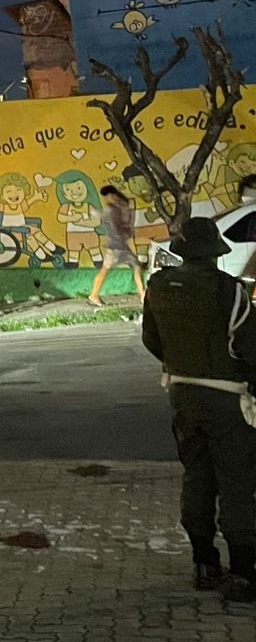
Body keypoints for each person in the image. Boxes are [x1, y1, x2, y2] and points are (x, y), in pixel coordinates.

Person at [141, 216, 256, 601]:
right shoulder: (230, 291)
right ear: (215, 253)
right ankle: (242, 572)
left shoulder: (158, 286)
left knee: (197, 475)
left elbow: (152, 340)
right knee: (236, 481)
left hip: (182, 395)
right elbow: (250, 348)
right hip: (226, 398)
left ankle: (204, 562)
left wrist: (181, 366)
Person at [91, 183, 147, 306]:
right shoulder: (123, 206)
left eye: (106, 196)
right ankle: (94, 295)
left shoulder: (113, 209)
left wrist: (97, 214)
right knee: (107, 269)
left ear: (111, 195)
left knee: (135, 266)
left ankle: (143, 294)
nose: (105, 200)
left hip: (117, 245)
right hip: (117, 245)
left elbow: (115, 224)